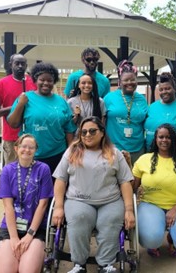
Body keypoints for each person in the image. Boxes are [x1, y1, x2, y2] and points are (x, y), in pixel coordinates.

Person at [52, 116, 135, 273]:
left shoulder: (114, 153)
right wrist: (58, 207)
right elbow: (61, 179)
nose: (87, 135)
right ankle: (79, 264)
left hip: (109, 200)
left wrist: (129, 210)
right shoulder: (72, 151)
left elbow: (125, 181)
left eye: (92, 131)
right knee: (79, 218)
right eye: (83, 132)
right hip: (78, 200)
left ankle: (106, 264)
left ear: (102, 132)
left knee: (110, 221)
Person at [133, 124, 176, 258]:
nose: (164, 140)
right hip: (151, 204)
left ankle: (172, 238)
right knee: (150, 238)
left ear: (174, 140)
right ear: (156, 139)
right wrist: (127, 163)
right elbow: (133, 187)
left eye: (168, 137)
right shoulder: (144, 160)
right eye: (161, 137)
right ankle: (154, 241)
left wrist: (175, 209)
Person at [0, 134, 53, 273]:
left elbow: (43, 204)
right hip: (11, 228)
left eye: (31, 147)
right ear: (16, 148)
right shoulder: (7, 171)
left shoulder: (43, 169)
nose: (27, 150)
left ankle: (38, 252)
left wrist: (29, 235)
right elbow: (8, 206)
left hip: (35, 227)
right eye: (23, 146)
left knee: (26, 270)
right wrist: (14, 237)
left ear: (35, 150)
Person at [7, 61, 76, 174]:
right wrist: (20, 104)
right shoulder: (26, 98)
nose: (46, 83)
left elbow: (69, 129)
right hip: (32, 155)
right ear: (35, 80)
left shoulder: (61, 102)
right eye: (42, 80)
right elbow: (13, 124)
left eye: (49, 80)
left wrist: (70, 151)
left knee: (56, 189)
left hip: (58, 154)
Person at [0, 54, 37, 165]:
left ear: (26, 65)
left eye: (23, 64)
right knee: (12, 170)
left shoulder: (34, 83)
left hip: (33, 134)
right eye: (16, 63)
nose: (20, 66)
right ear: (10, 65)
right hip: (11, 136)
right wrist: (17, 105)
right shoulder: (1, 84)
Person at [104, 60, 148, 163]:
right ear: (120, 81)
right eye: (126, 80)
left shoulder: (142, 99)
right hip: (114, 149)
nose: (129, 83)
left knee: (136, 178)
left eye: (133, 80)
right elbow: (102, 122)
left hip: (138, 150)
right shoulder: (109, 98)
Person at [144, 72, 176, 155]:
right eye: (161, 89)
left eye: (167, 88)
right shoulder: (152, 107)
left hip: (173, 156)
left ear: (174, 89)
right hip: (151, 155)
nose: (164, 92)